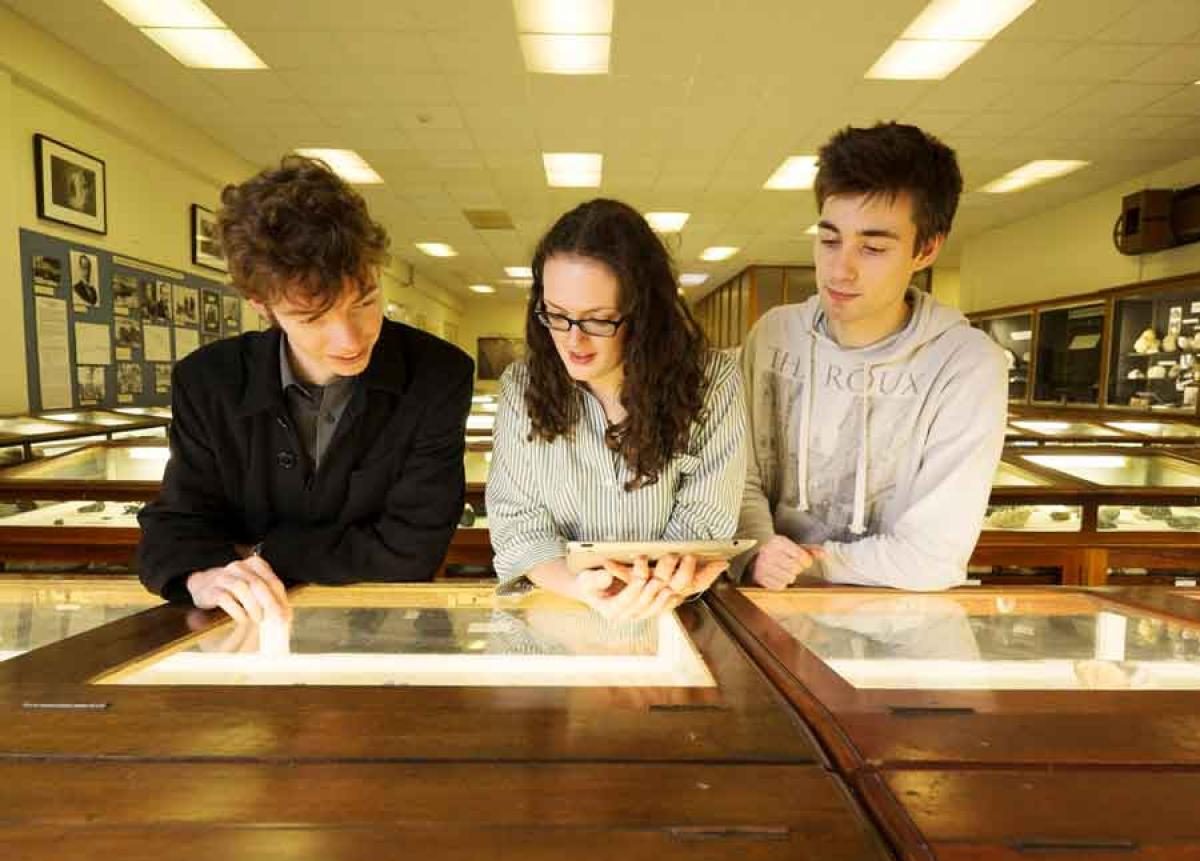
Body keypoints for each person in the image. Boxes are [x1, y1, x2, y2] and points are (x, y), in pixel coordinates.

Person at [138, 155, 474, 622]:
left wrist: (254, 550)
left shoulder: (438, 373)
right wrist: (202, 577)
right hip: (242, 628)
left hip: (386, 626)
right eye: (312, 318)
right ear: (263, 306)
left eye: (365, 302)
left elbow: (412, 548)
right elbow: (173, 527)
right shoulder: (207, 381)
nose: (351, 339)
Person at [736, 122, 1007, 591]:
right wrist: (761, 547)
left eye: (874, 247)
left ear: (926, 248)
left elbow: (932, 557)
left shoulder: (967, 366)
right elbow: (739, 475)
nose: (840, 269)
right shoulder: (775, 334)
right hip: (765, 601)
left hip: (894, 618)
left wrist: (807, 562)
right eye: (829, 239)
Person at [486, 198, 746, 623]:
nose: (573, 341)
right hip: (562, 617)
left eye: (598, 320)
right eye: (556, 315)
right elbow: (517, 523)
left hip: (672, 614)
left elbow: (704, 520)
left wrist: (648, 589)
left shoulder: (713, 382)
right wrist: (581, 588)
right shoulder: (522, 385)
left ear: (644, 314)